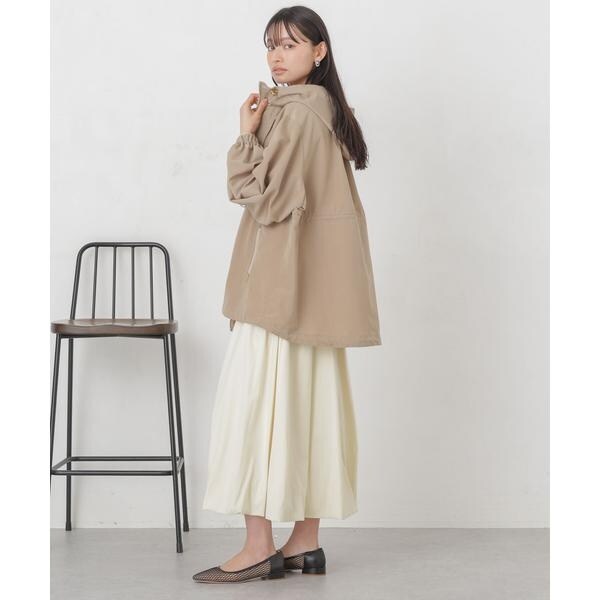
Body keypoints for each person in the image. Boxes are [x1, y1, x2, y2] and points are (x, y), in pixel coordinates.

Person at [193, 5, 381, 584]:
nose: (276, 56)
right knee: (310, 407)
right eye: (271, 45)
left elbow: (265, 198)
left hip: (278, 291)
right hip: (312, 296)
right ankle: (305, 543)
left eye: (290, 45)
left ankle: (258, 545)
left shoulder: (297, 113)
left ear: (319, 52)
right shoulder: (326, 110)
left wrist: (245, 136)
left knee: (253, 409)